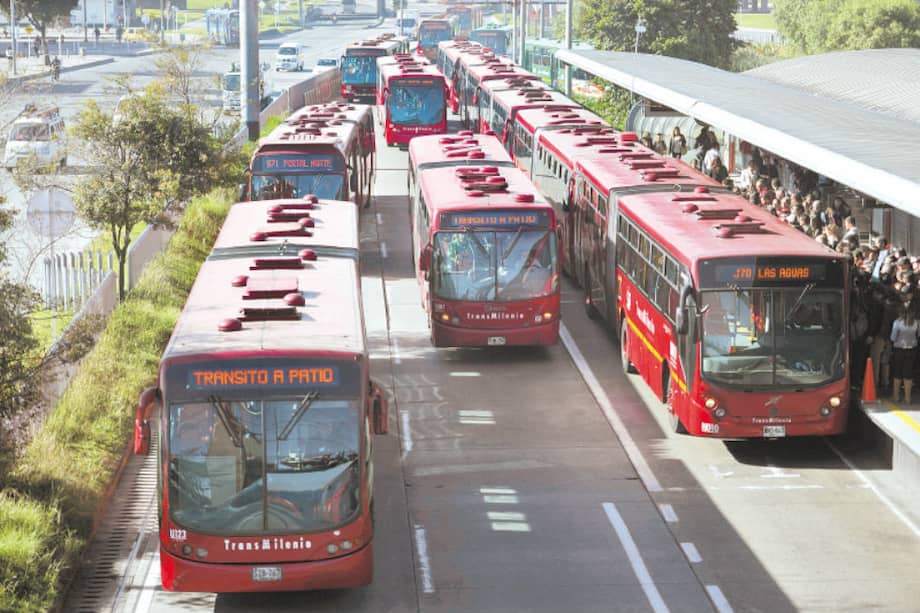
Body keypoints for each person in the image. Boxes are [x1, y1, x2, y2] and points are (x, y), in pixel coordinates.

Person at [890, 298, 920, 403]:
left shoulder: (897, 322)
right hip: (912, 350)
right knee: (908, 373)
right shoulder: (917, 323)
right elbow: (918, 335)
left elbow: (893, 338)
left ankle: (896, 396)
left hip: (899, 349)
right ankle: (908, 398)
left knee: (897, 372)